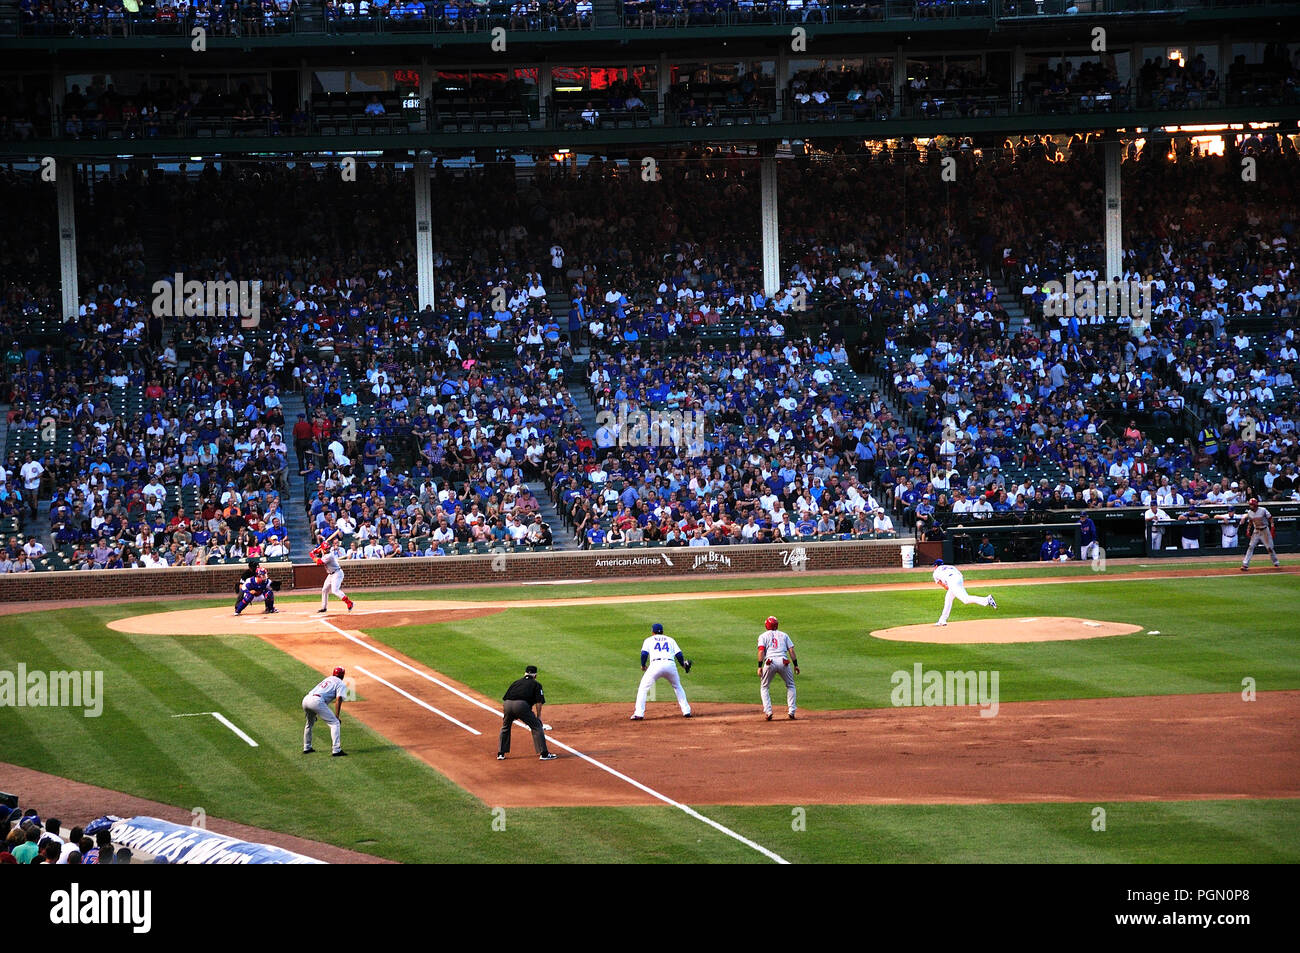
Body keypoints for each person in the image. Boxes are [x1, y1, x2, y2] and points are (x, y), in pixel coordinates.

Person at [630, 623, 692, 720]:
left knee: (643, 688)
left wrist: (643, 665)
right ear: (663, 631)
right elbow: (679, 655)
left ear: (652, 632)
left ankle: (639, 713)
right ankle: (686, 711)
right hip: (670, 665)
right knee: (677, 686)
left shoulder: (649, 640)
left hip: (655, 665)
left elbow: (644, 654)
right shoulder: (670, 639)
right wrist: (683, 665)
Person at [497, 665, 557, 760]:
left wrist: (507, 714)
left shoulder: (516, 682)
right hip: (521, 706)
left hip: (507, 705)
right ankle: (544, 754)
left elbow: (505, 698)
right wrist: (539, 716)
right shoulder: (536, 684)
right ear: (535, 675)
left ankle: (501, 753)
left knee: (505, 727)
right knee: (537, 726)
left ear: (525, 674)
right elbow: (539, 702)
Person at [757, 615, 800, 721]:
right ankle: (792, 712)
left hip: (769, 662)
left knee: (764, 687)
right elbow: (791, 651)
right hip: (783, 662)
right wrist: (796, 665)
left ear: (766, 625)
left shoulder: (763, 636)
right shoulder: (784, 635)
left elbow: (761, 651)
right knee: (790, 685)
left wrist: (759, 666)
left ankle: (768, 712)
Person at [931, 558, 997, 626]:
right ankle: (942, 620)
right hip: (959, 579)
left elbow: (945, 586)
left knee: (965, 599)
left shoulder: (935, 572)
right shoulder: (951, 567)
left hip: (952, 581)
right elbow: (960, 576)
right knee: (948, 599)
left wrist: (950, 586)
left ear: (936, 566)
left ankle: (986, 600)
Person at [302, 665, 348, 756]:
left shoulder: (328, 679)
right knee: (335, 723)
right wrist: (337, 716)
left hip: (306, 699)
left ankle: (307, 747)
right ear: (342, 676)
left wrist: (313, 712)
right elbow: (338, 699)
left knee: (309, 723)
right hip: (316, 701)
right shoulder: (340, 683)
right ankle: (336, 750)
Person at [313, 537, 354, 613]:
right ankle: (324, 607)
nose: (327, 550)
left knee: (335, 590)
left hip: (337, 573)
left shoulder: (329, 556)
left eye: (327, 548)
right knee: (324, 590)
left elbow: (319, 562)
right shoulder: (324, 551)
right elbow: (320, 551)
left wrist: (312, 554)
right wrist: (317, 550)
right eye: (325, 549)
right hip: (331, 574)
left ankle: (349, 603)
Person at [1239, 498, 1281, 571]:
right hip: (1256, 531)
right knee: (1251, 546)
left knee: (1269, 548)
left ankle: (1276, 562)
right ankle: (1245, 564)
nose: (1250, 506)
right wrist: (1248, 530)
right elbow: (1250, 522)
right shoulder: (1249, 512)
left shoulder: (1263, 510)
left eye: (1252, 505)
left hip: (1264, 530)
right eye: (1250, 505)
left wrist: (1272, 527)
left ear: (1255, 505)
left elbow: (1270, 518)